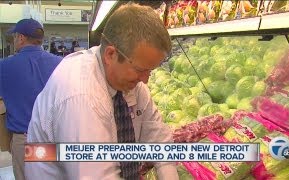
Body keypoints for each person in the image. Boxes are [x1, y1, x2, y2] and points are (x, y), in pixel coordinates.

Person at [25, 3, 179, 180]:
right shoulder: (80, 95)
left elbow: (159, 139)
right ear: (111, 54)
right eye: (140, 69)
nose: (145, 80)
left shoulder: (130, 84)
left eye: (150, 70)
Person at [0, 18, 62, 180]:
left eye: (14, 37)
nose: (13, 41)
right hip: (54, 139)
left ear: (21, 38)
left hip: (24, 140)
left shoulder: (4, 67)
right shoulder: (61, 64)